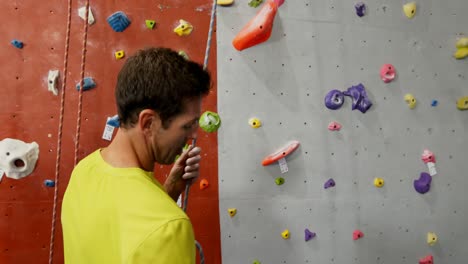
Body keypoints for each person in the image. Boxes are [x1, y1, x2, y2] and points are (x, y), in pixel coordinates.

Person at [61, 47, 211, 263]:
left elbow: (125, 238)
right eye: (187, 125)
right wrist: (164, 212)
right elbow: (153, 230)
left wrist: (170, 191)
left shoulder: (84, 172)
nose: (194, 135)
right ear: (148, 122)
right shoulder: (169, 227)